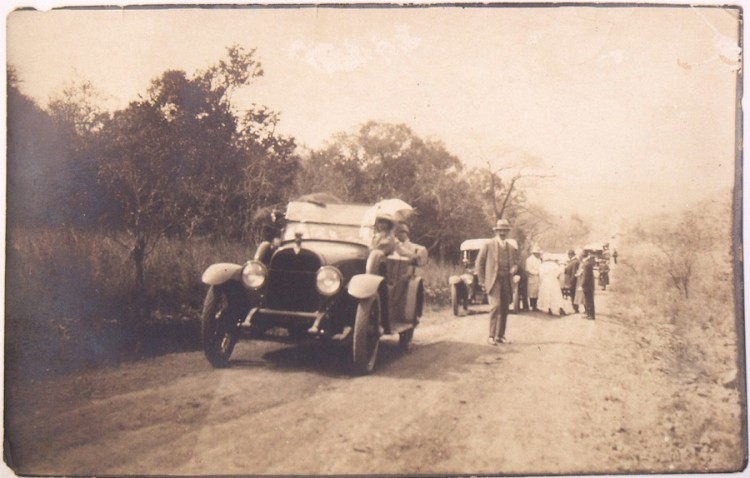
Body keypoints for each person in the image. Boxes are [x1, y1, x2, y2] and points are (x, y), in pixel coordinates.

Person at [476, 218, 518, 345]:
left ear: (507, 232)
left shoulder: (510, 247)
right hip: (493, 281)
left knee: (505, 308)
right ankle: (491, 336)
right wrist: (482, 281)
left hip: (506, 280)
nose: (502, 233)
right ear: (496, 231)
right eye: (500, 230)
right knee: (495, 306)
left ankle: (501, 335)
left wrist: (513, 268)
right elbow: (479, 263)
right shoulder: (488, 245)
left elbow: (516, 263)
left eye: (505, 230)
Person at [580, 249, 596, 320]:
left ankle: (590, 315)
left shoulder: (586, 264)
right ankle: (589, 314)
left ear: (583, 256)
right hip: (589, 285)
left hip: (587, 286)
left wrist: (582, 285)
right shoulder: (588, 263)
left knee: (588, 300)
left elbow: (585, 277)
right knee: (589, 300)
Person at [525, 246, 542, 311]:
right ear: (534, 253)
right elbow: (528, 269)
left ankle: (535, 305)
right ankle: (532, 305)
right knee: (532, 292)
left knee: (537, 292)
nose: (538, 254)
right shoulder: (529, 259)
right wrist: (536, 273)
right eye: (537, 253)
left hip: (538, 277)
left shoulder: (538, 260)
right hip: (532, 277)